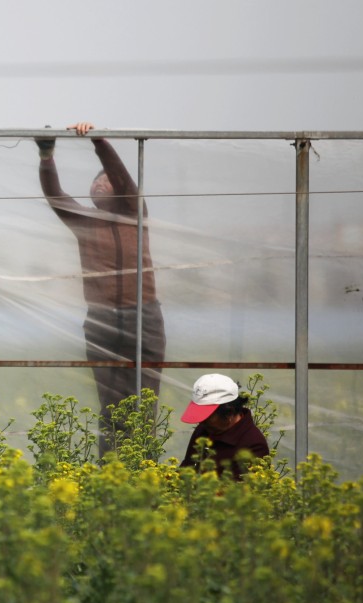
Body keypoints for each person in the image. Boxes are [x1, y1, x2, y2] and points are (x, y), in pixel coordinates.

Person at [36, 121, 166, 454]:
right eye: (97, 180)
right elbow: (55, 194)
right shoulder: (83, 220)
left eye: (107, 179)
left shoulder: (134, 212)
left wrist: (98, 140)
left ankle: (143, 471)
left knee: (144, 400)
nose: (103, 182)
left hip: (143, 316)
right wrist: (47, 155)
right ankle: (110, 473)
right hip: (101, 320)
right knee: (110, 406)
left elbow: (122, 176)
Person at [178, 373, 269, 480]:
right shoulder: (205, 429)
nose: (201, 422)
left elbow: (240, 492)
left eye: (207, 416)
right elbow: (186, 468)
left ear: (229, 412)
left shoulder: (253, 445)